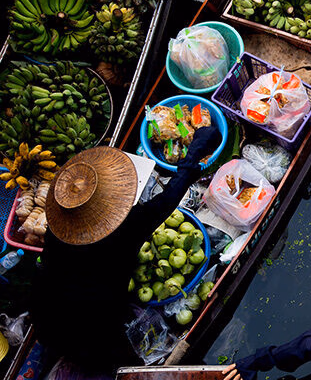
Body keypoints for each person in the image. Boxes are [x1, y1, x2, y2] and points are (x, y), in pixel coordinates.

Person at [30, 127, 220, 376]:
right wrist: (196, 148)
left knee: (79, 341)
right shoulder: (124, 230)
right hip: (93, 325)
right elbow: (171, 195)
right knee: (105, 356)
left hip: (45, 316)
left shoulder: (59, 229)